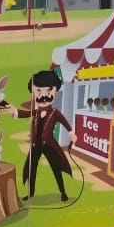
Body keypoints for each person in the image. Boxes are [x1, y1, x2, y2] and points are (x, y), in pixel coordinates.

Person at [8, 69, 72, 202]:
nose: (44, 96)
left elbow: (64, 121)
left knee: (56, 168)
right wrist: (13, 111)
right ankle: (31, 193)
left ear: (55, 92)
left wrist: (71, 133)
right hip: (35, 145)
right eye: (38, 92)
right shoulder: (36, 111)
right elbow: (24, 114)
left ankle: (63, 192)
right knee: (32, 169)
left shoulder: (54, 112)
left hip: (49, 146)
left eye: (48, 92)